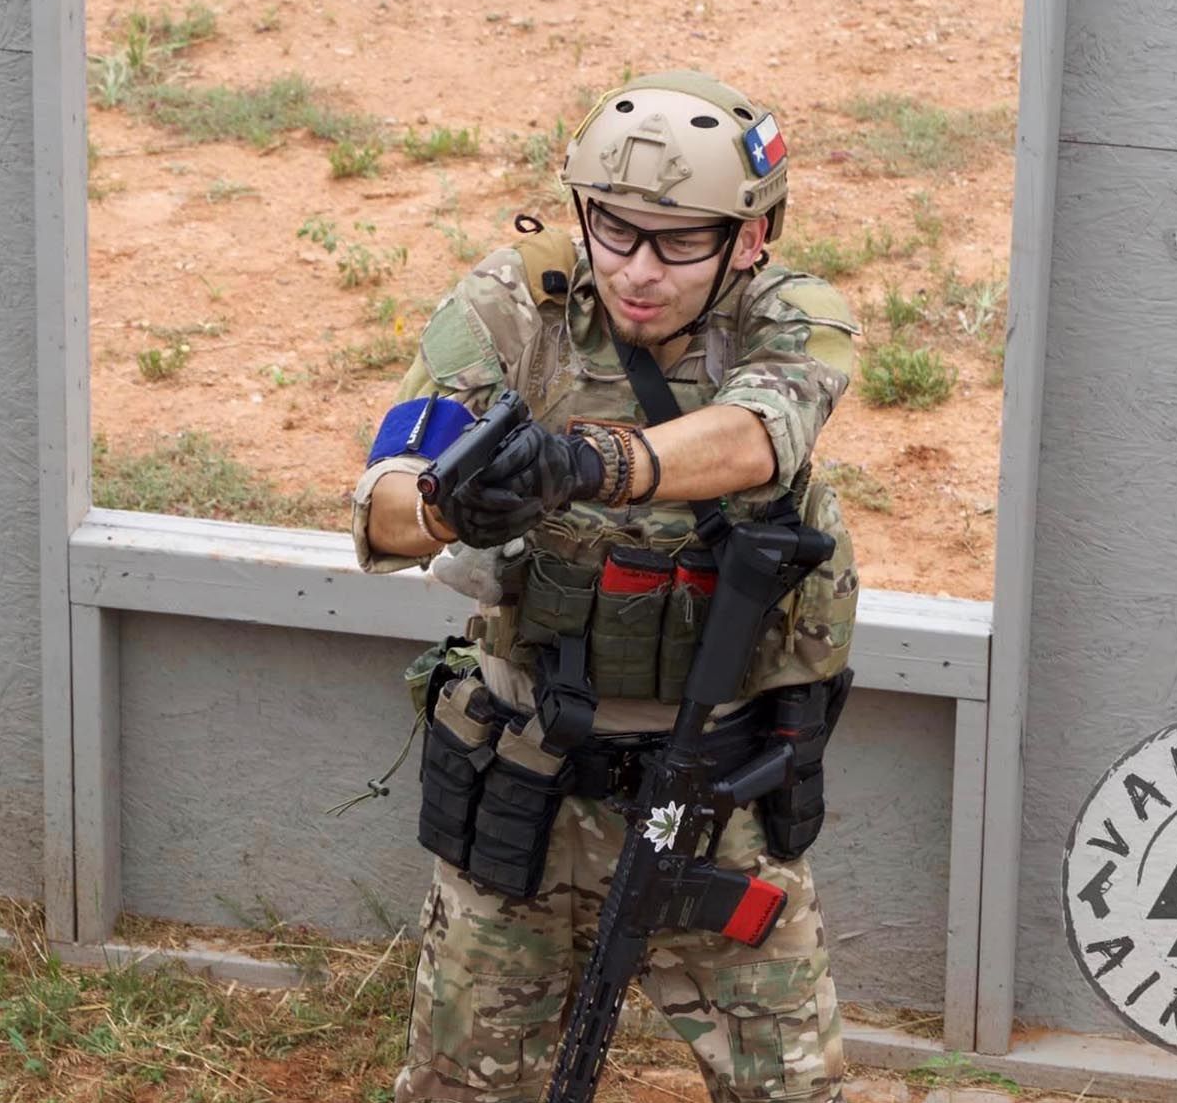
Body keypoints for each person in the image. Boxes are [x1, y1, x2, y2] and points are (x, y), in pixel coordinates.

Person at [351, 69, 861, 1103]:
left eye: (678, 244)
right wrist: (455, 506)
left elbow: (757, 436)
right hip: (528, 785)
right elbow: (381, 506)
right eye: (614, 231)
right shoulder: (510, 305)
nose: (637, 270)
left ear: (749, 237)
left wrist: (594, 465)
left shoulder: (791, 315)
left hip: (710, 794)